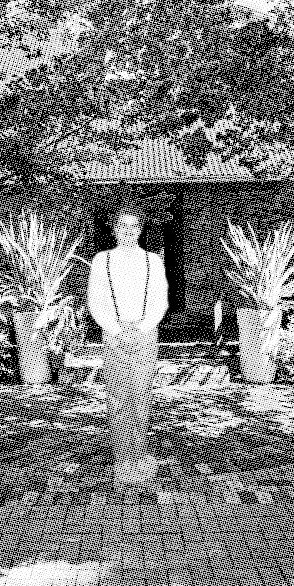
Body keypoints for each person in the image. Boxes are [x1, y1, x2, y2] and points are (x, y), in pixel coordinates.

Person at [87, 204, 169, 492]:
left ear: (142, 229)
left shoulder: (153, 261)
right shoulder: (102, 260)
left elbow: (161, 300)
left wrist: (144, 328)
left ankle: (141, 454)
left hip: (146, 333)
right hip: (113, 334)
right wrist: (116, 329)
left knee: (141, 394)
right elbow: (95, 300)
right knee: (119, 395)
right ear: (114, 229)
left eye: (135, 226)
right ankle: (123, 458)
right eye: (123, 226)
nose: (129, 232)